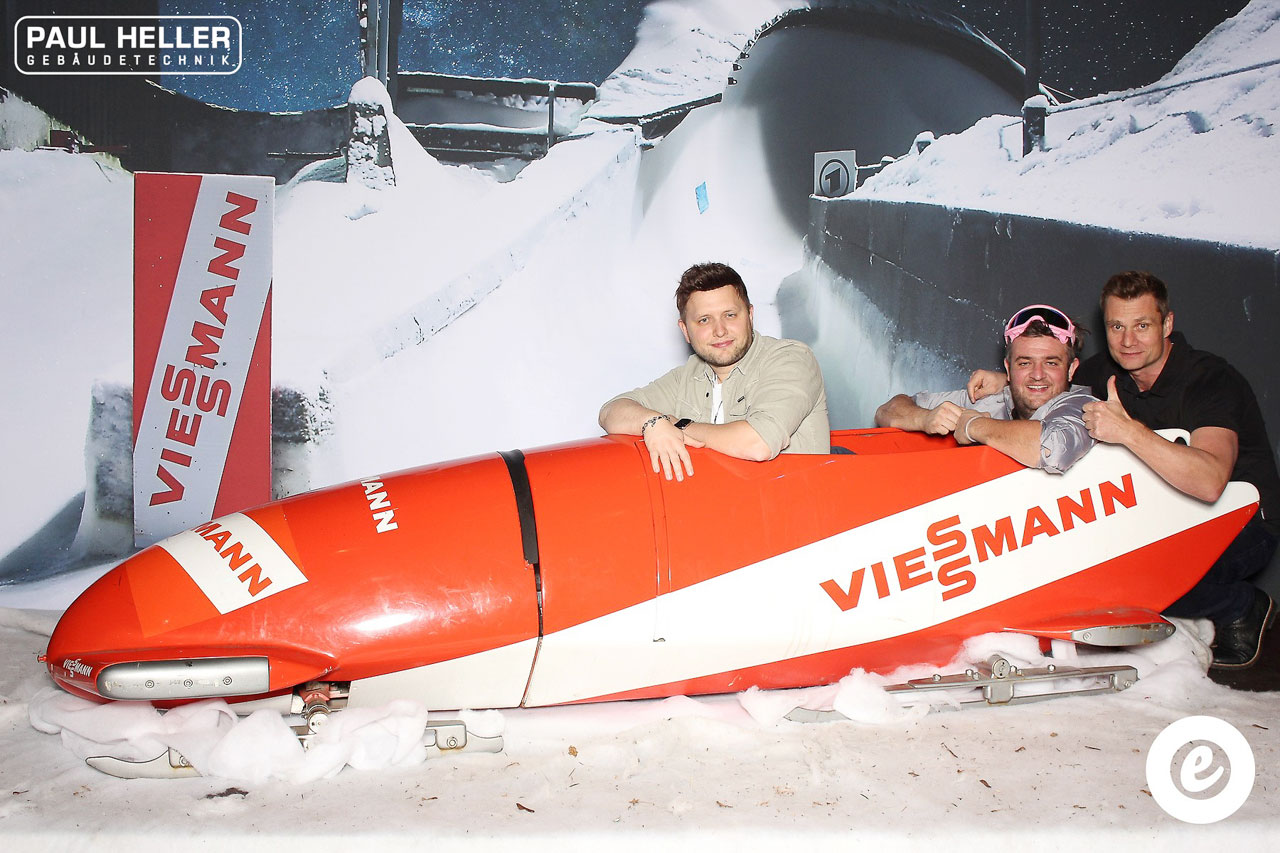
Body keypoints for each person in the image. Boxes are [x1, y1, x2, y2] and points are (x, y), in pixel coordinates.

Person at [967, 272, 1280, 671]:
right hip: (1167, 514)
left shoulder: (1210, 379)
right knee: (1086, 564)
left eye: (1142, 326)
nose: (1128, 341)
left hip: (1241, 522)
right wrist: (1007, 380)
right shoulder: (1104, 372)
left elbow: (1210, 482)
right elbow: (1050, 377)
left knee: (1134, 579)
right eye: (1117, 327)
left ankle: (1241, 606)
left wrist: (1128, 431)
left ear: (1167, 324)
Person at [599, 262, 829, 481]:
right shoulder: (689, 375)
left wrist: (678, 425)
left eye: (730, 315)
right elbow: (610, 412)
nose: (720, 330)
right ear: (685, 330)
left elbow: (758, 444)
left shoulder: (791, 358)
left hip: (793, 507)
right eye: (704, 320)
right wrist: (652, 421)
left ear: (750, 316)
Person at [875, 304, 1095, 473]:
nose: (1037, 374)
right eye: (1024, 363)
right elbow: (887, 411)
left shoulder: (1086, 408)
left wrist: (973, 426)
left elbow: (1052, 448)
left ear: (1071, 369)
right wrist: (924, 418)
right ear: (1008, 369)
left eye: (1051, 363)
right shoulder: (994, 399)